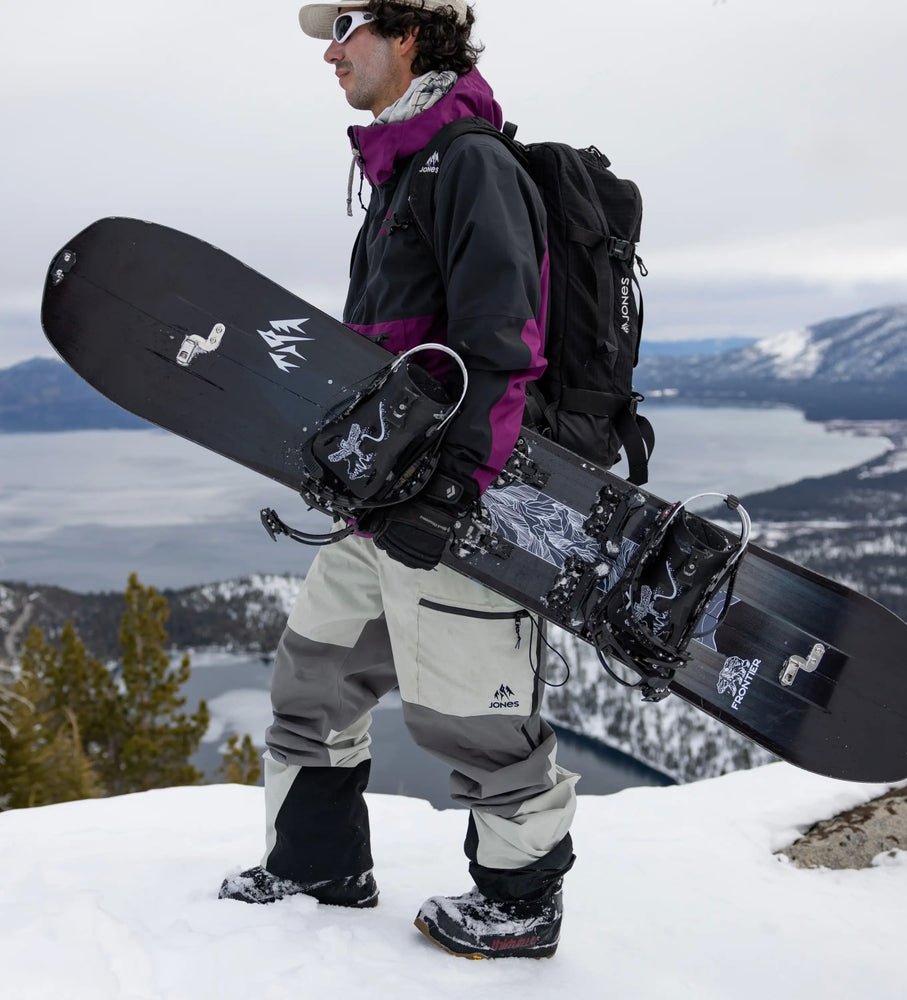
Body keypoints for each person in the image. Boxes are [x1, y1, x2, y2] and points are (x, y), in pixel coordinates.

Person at [219, 1, 579, 961]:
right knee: (313, 676)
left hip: (460, 506)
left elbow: (505, 345)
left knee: (473, 717)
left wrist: (455, 491)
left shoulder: (469, 163)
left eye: (347, 27)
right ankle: (317, 863)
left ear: (412, 29)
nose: (331, 52)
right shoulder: (398, 171)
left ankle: (520, 904)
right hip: (380, 505)